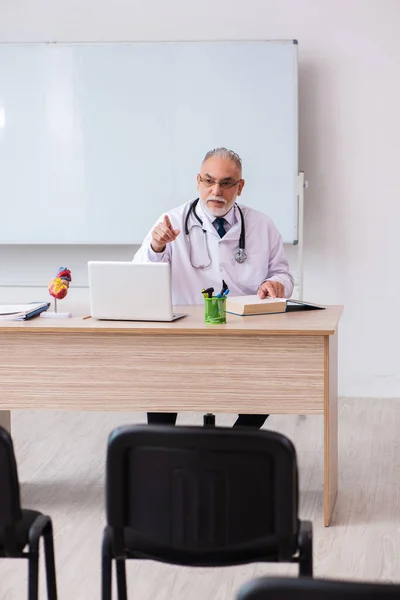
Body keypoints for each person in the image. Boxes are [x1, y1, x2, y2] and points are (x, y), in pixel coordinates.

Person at [133, 147, 294, 428]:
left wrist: (276, 284)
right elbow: (138, 277)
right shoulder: (170, 221)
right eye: (208, 181)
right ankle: (162, 448)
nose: (216, 190)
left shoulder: (261, 225)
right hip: (183, 336)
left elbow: (283, 273)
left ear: (240, 187)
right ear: (198, 181)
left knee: (274, 376)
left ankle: (236, 442)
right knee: (160, 379)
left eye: (226, 183)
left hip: (244, 334)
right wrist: (157, 246)